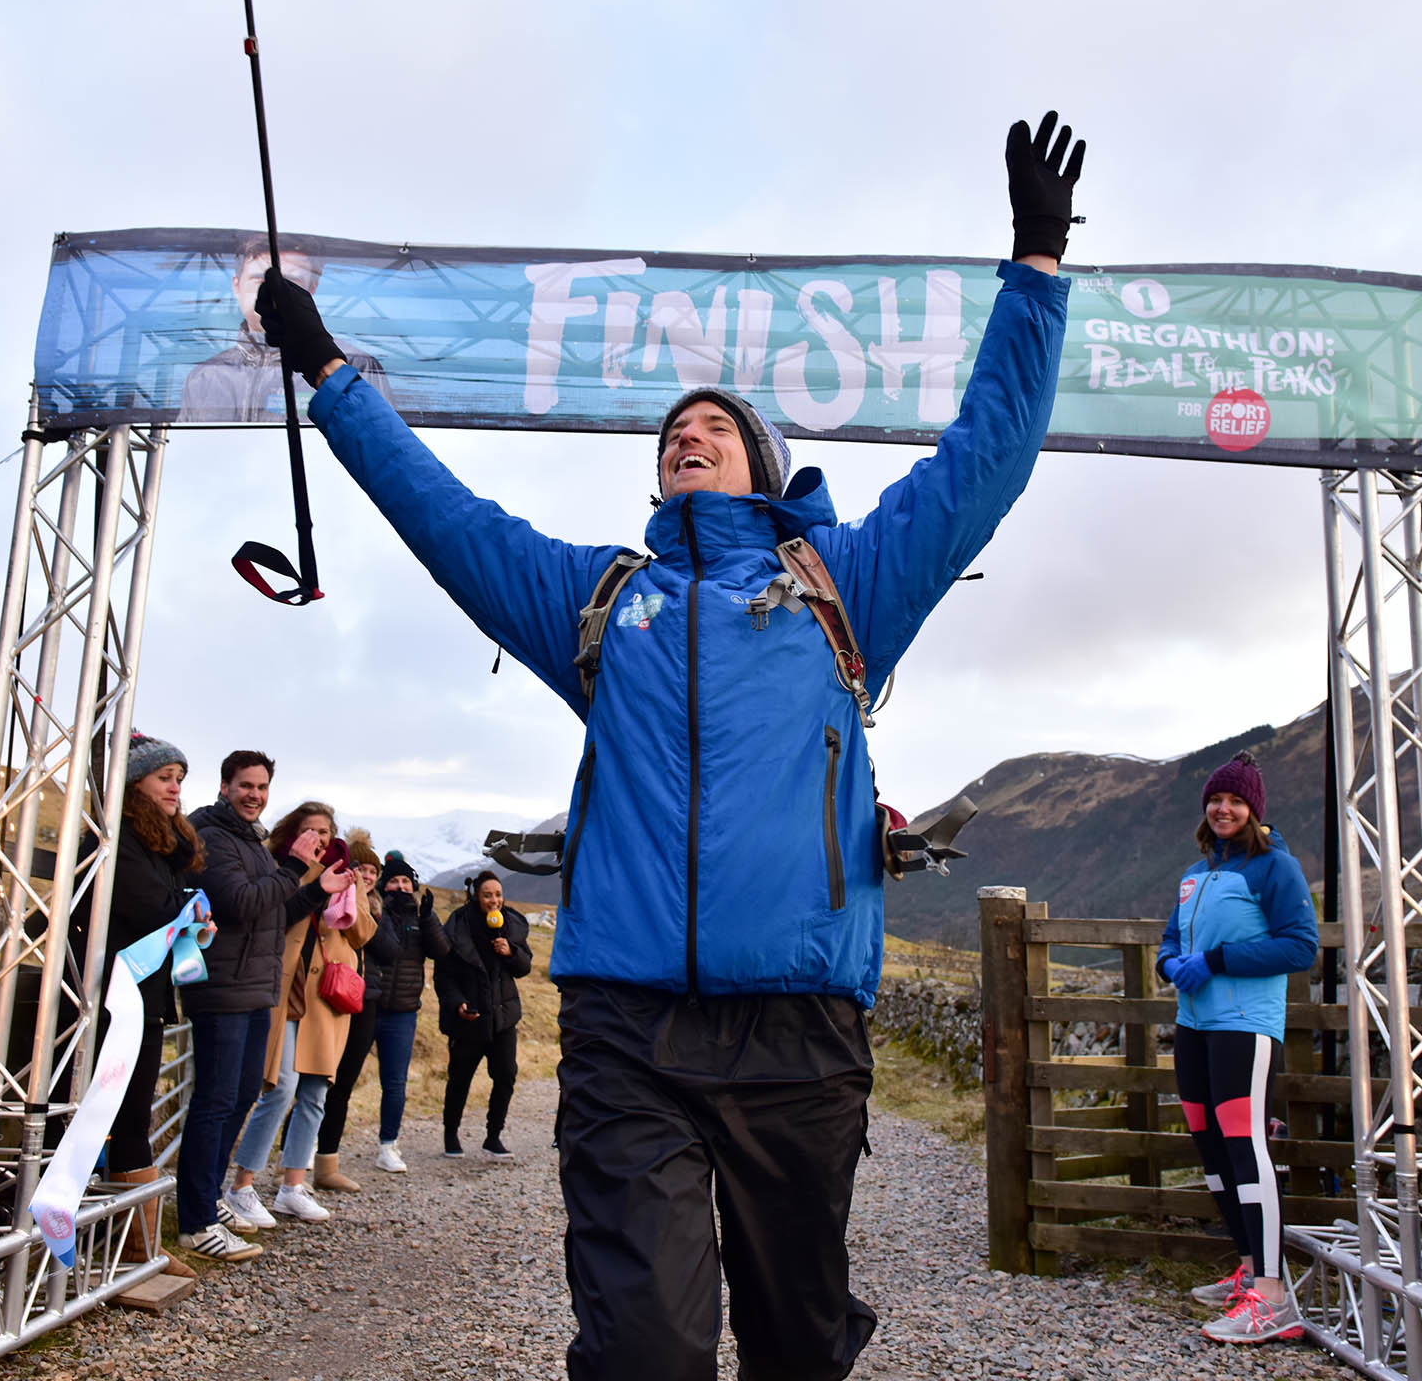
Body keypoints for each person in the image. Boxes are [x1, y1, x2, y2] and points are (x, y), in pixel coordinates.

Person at [255, 110, 1084, 1379]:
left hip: (801, 1032)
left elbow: (987, 460)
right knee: (640, 1346)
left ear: (764, 463)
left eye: (714, 428)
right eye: (668, 436)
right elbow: (443, 514)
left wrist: (1034, 268)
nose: (684, 436)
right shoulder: (601, 605)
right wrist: (323, 368)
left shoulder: (845, 580)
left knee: (799, 1346)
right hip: (628, 1030)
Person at [1155, 750, 1318, 1345]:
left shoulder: (1276, 868)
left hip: (1245, 1025)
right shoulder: (1195, 874)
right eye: (1216, 800)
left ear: (1253, 811)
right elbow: (1171, 939)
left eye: (1235, 801)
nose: (1224, 809)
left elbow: (1300, 947)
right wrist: (1172, 960)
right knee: (1211, 1147)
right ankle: (1247, 1272)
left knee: (1247, 1149)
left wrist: (1217, 960)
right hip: (1194, 1024)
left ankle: (1273, 1298)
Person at [174, 751, 351, 1262]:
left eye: (262, 786)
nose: (255, 794)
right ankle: (195, 1221)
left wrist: (317, 889)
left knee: (244, 1093)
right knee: (214, 1101)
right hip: (223, 986)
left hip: (256, 986)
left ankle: (208, 1196)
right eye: (245, 785)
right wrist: (295, 864)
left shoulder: (250, 839)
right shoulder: (209, 835)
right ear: (225, 786)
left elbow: (273, 913)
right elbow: (242, 904)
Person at [69, 731, 204, 1285]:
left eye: (178, 779)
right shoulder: (114, 841)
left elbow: (170, 908)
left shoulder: (160, 846)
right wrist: (189, 912)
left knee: (131, 1115)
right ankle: (126, 1249)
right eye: (163, 778)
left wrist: (191, 915)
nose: (174, 788)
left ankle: (135, 1248)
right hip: (105, 1000)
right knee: (115, 1116)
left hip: (140, 997)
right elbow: (152, 907)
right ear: (132, 786)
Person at [228, 801, 370, 1224]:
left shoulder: (347, 871)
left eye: (325, 831)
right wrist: (310, 882)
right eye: (310, 830)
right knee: (281, 1088)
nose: (320, 839)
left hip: (329, 997)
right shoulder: (279, 866)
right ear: (293, 833)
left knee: (315, 1093)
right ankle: (242, 1185)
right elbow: (273, 919)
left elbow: (363, 935)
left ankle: (292, 1186)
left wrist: (350, 892)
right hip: (287, 987)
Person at [177, 237, 389, 422]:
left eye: (290, 282)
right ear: (236, 285)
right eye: (259, 279)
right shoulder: (204, 378)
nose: (271, 291)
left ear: (312, 288)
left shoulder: (354, 367)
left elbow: (383, 446)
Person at [319, 848, 436, 1175]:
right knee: (337, 1077)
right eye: (393, 881)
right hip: (362, 1001)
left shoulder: (415, 913)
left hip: (400, 1009)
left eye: (405, 881)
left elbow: (439, 949)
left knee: (393, 1081)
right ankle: (316, 1146)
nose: (399, 887)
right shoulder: (370, 908)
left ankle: (387, 1145)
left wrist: (423, 917)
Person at [432, 871, 532, 1158]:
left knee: (506, 1076)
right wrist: (457, 1003)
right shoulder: (458, 926)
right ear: (477, 896)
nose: (494, 900)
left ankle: (493, 1136)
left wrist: (510, 952)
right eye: (488, 895)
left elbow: (523, 968)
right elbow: (444, 976)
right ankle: (451, 1135)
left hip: (503, 1018)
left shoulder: (510, 926)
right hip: (470, 1019)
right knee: (460, 1079)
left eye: (498, 894)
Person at [313, 829, 383, 1189]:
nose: (368, 877)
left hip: (362, 998)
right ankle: (296, 1158)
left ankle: (326, 1162)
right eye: (363, 869)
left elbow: (391, 950)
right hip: (329, 994)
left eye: (374, 872)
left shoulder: (375, 909)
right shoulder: (339, 900)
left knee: (342, 1084)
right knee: (317, 1079)